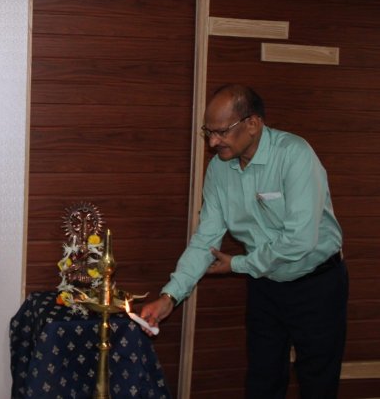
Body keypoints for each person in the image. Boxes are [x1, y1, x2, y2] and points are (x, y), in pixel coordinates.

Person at [140, 84, 348, 398]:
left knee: (317, 381)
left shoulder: (294, 155)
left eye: (221, 132)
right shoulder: (218, 170)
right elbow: (205, 240)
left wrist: (238, 264)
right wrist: (169, 297)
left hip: (317, 284)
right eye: (208, 132)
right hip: (265, 283)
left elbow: (300, 241)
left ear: (252, 124)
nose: (212, 142)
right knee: (262, 380)